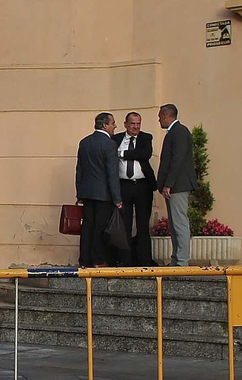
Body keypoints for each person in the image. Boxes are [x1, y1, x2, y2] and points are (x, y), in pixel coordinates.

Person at [74, 112, 122, 268]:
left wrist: (79, 192)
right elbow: (112, 173)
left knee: (87, 226)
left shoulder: (84, 142)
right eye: (113, 123)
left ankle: (84, 260)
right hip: (103, 194)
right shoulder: (110, 144)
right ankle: (98, 260)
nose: (115, 126)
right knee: (100, 228)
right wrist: (117, 198)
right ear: (105, 125)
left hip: (87, 193)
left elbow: (79, 170)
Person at [113, 112, 156, 267]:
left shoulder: (146, 137)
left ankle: (145, 260)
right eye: (132, 123)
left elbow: (144, 154)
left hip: (143, 186)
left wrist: (122, 154)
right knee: (124, 223)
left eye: (138, 123)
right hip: (123, 186)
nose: (136, 127)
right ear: (125, 124)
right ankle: (125, 260)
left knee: (143, 224)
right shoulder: (116, 139)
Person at [157, 104, 197, 267]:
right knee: (174, 224)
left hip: (178, 185)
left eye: (160, 116)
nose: (159, 120)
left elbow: (177, 159)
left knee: (179, 223)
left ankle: (182, 261)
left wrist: (169, 184)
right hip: (175, 185)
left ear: (166, 115)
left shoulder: (179, 131)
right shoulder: (175, 132)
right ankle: (176, 259)